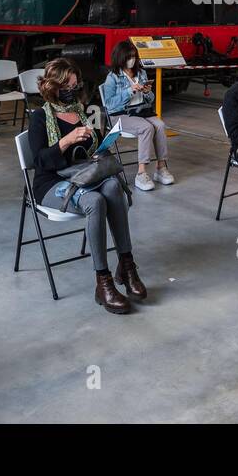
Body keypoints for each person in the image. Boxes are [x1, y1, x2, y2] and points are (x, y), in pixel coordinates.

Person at [27, 57, 146, 315]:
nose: (72, 89)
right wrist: (66, 141)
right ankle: (102, 281)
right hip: (51, 182)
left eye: (75, 84)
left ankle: (127, 265)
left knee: (114, 187)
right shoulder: (40, 116)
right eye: (67, 85)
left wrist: (99, 144)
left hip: (83, 173)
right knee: (95, 201)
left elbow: (97, 147)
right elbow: (40, 161)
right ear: (53, 86)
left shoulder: (82, 111)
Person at [99, 40, 173, 191]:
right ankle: (141, 173)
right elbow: (109, 104)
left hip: (141, 111)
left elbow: (150, 100)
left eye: (133, 56)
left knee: (160, 125)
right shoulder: (112, 77)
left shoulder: (141, 73)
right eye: (128, 57)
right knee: (146, 128)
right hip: (120, 115)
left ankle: (161, 167)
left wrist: (147, 92)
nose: (131, 60)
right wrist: (129, 91)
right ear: (120, 57)